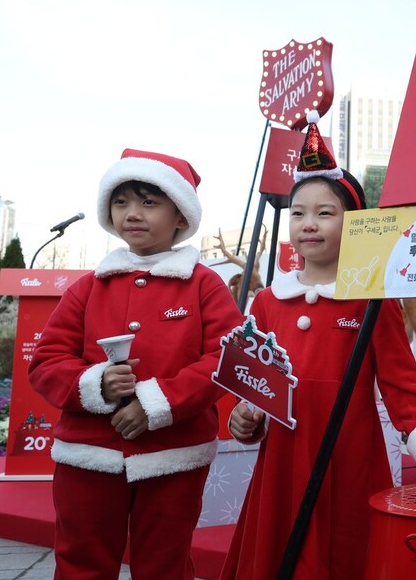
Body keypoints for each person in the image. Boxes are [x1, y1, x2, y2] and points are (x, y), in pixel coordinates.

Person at [220, 112, 416, 579]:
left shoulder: (372, 300)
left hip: (349, 458)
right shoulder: (267, 302)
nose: (309, 224)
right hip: (283, 466)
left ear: (353, 224)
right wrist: (241, 416)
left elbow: (401, 380)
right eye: (298, 214)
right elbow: (245, 384)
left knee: (345, 552)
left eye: (325, 213)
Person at [28, 148, 244, 579]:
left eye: (149, 202)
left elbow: (228, 356)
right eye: (122, 201)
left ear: (181, 215)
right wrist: (96, 384)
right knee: (80, 562)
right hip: (88, 455)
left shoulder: (205, 285)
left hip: (174, 455)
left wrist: (155, 403)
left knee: (164, 564)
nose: (133, 213)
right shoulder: (88, 287)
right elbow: (46, 361)